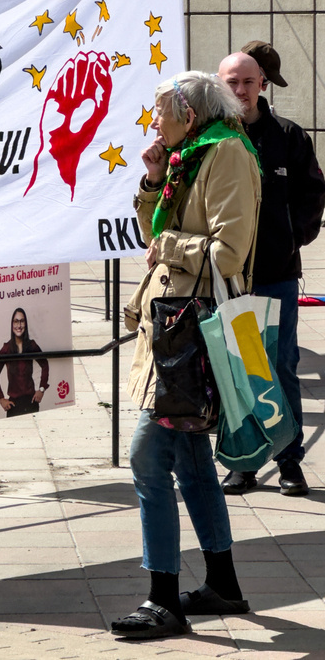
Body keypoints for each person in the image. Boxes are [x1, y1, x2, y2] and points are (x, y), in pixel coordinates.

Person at [112, 71, 260, 640]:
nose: (153, 122)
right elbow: (160, 226)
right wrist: (153, 179)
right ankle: (223, 583)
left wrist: (167, 245)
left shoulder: (225, 154)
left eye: (159, 112)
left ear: (189, 114)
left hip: (190, 340)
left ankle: (163, 598)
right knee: (194, 465)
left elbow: (227, 253)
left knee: (149, 459)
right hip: (173, 331)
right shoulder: (188, 156)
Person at [216, 44, 325, 496]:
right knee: (237, 369)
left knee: (280, 366)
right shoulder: (213, 137)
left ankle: (290, 461)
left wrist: (290, 237)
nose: (240, 90)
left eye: (247, 81)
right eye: (231, 83)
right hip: (228, 278)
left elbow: (313, 194)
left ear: (263, 83)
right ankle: (243, 461)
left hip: (277, 276)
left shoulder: (290, 136)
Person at [0, 307, 49, 417]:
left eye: (22, 321)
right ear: (11, 324)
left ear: (26, 324)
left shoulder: (32, 345)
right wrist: (1, 398)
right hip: (14, 405)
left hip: (32, 402)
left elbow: (44, 364)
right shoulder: (6, 349)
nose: (19, 325)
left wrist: (41, 389)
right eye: (16, 321)